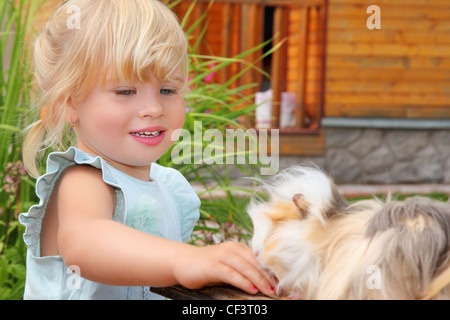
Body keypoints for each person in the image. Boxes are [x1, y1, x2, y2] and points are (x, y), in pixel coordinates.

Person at [19, 0, 276, 300]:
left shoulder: (167, 187)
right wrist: (186, 259)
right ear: (70, 104)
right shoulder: (83, 179)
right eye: (126, 91)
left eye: (167, 90)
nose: (154, 108)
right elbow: (86, 244)